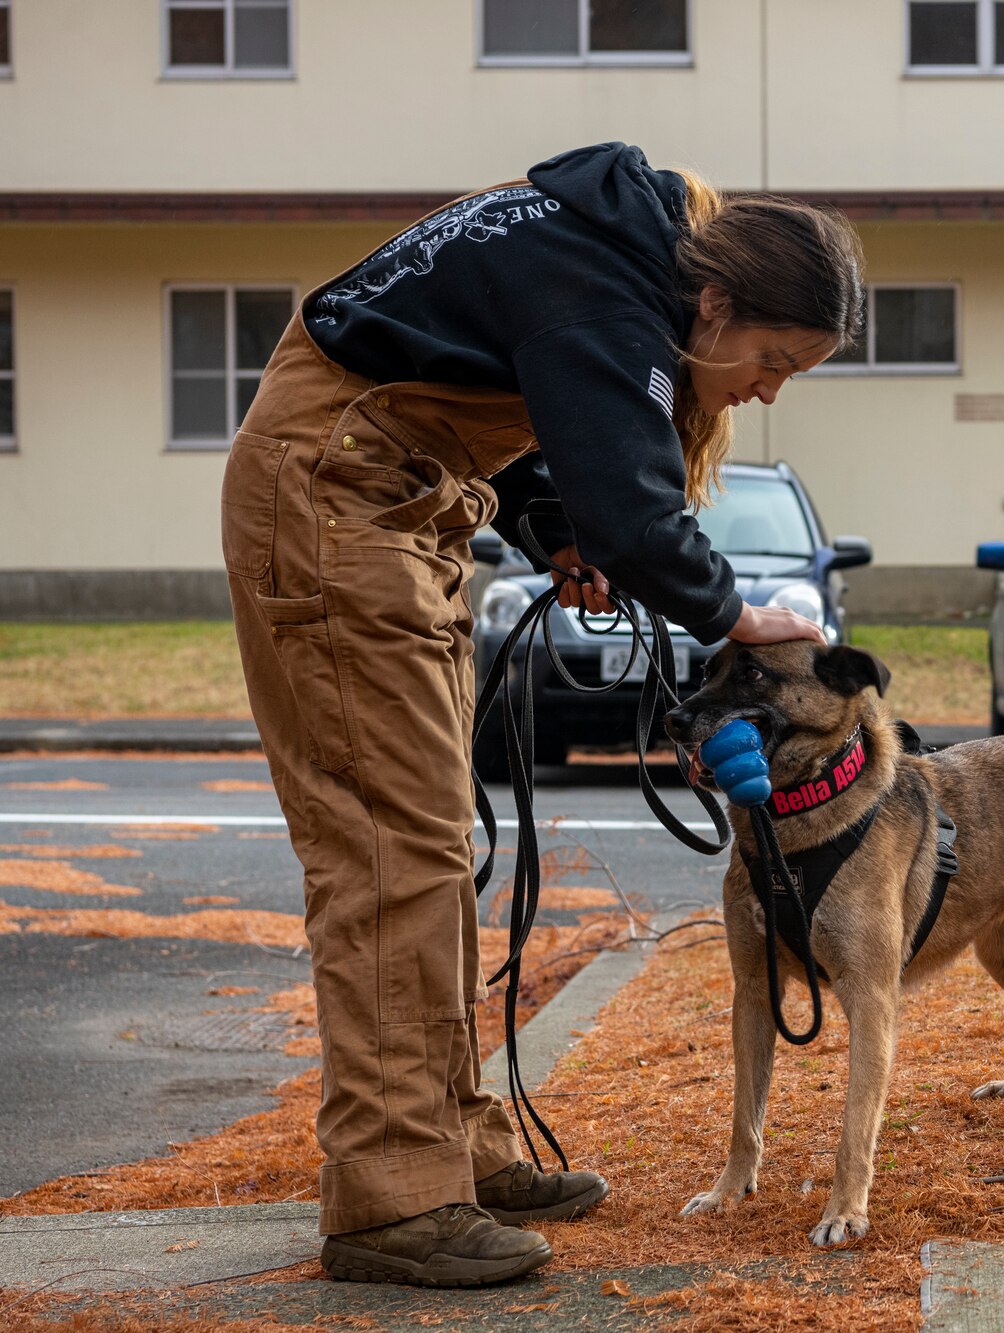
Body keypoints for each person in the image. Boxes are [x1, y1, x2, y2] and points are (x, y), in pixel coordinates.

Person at [217, 142, 861, 1288]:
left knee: (424, 846)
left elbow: (474, 372)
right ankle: (389, 1200)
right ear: (712, 304)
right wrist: (727, 613)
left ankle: (450, 1143)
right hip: (336, 504)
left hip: (390, 502)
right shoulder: (606, 289)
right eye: (771, 360)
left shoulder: (602, 258)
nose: (766, 390)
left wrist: (547, 525)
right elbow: (632, 500)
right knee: (388, 851)